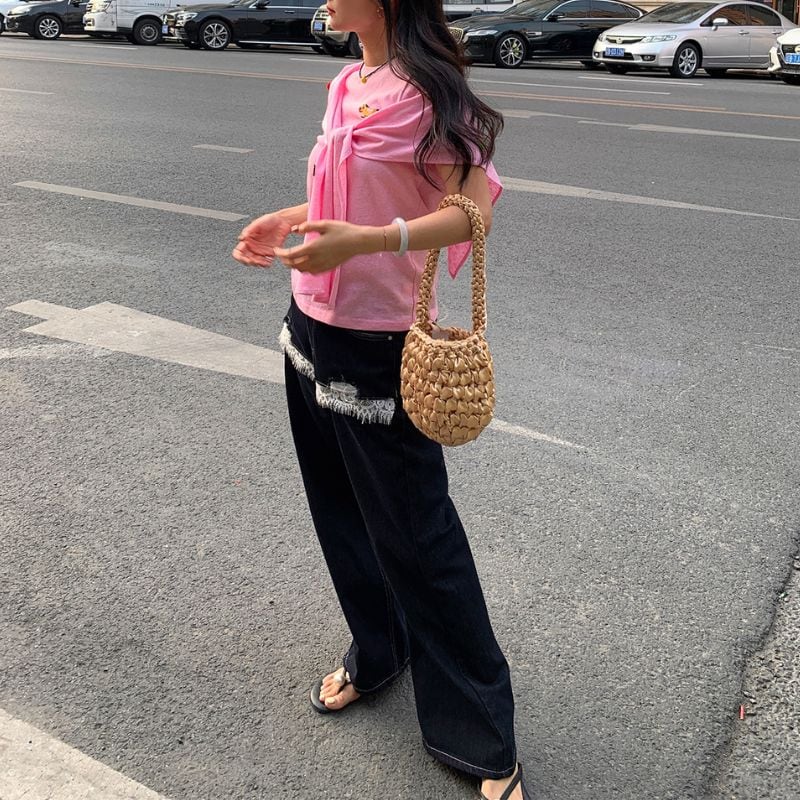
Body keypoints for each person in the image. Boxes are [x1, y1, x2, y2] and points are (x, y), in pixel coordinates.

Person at [232, 1, 528, 797]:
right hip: (310, 328)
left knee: (419, 538)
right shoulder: (348, 82)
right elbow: (353, 199)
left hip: (380, 345)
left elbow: (472, 213)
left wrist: (368, 242)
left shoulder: (430, 95)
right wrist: (292, 219)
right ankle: (379, 648)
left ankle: (482, 733)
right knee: (340, 512)